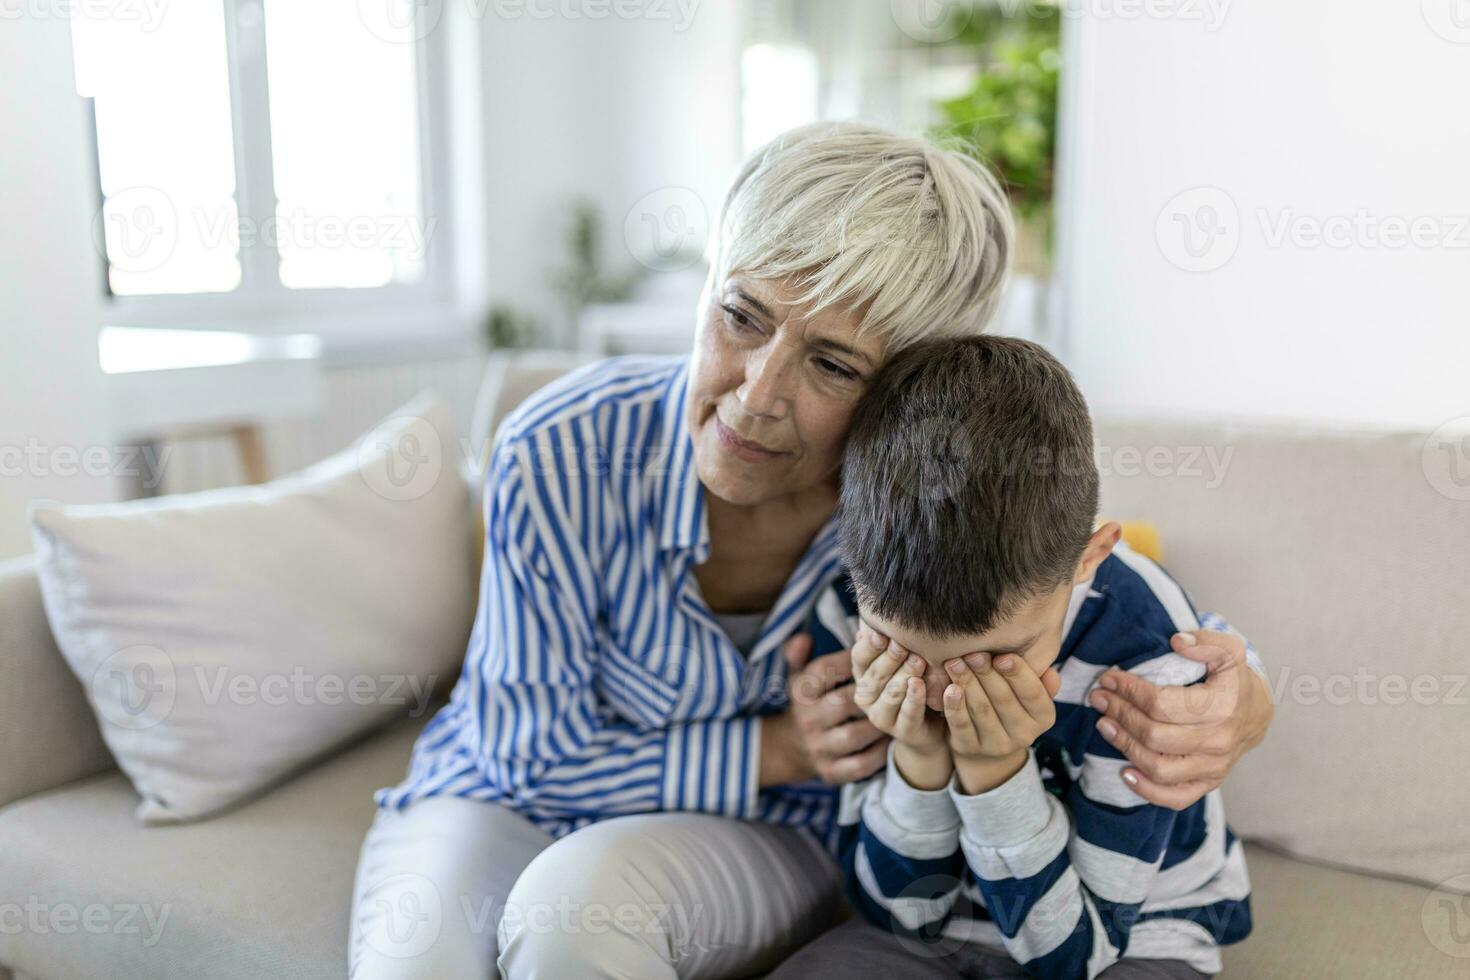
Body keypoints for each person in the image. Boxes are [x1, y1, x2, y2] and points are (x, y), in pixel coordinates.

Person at [349, 121, 1273, 979]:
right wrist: (778, 749)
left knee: (575, 908)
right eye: (741, 315)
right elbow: (526, 755)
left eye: (832, 364)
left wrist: (1241, 695)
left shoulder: (919, 513)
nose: (756, 395)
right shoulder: (559, 450)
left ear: (906, 389)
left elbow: (1072, 576)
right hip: (500, 791)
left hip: (767, 837)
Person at [772, 336, 1251, 979]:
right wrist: (917, 761)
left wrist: (994, 769)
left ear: (1089, 558)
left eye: (1000, 658)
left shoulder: (1150, 666)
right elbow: (898, 915)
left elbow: (1073, 956)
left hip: (1130, 942)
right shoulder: (850, 610)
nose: (947, 694)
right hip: (934, 932)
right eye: (901, 651)